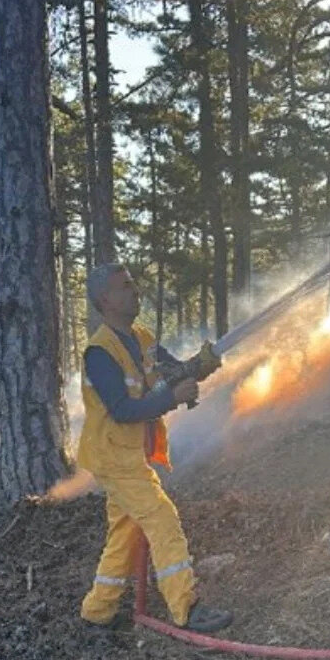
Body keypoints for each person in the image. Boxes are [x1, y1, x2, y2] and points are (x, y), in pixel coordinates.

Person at [77, 263, 231, 633]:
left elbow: (176, 371)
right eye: (125, 287)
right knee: (162, 518)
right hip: (114, 458)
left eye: (133, 284)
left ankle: (98, 611)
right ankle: (187, 607)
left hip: (130, 456)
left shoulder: (142, 338)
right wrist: (171, 399)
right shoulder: (99, 353)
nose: (135, 291)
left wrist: (202, 365)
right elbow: (122, 409)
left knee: (125, 532)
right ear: (105, 300)